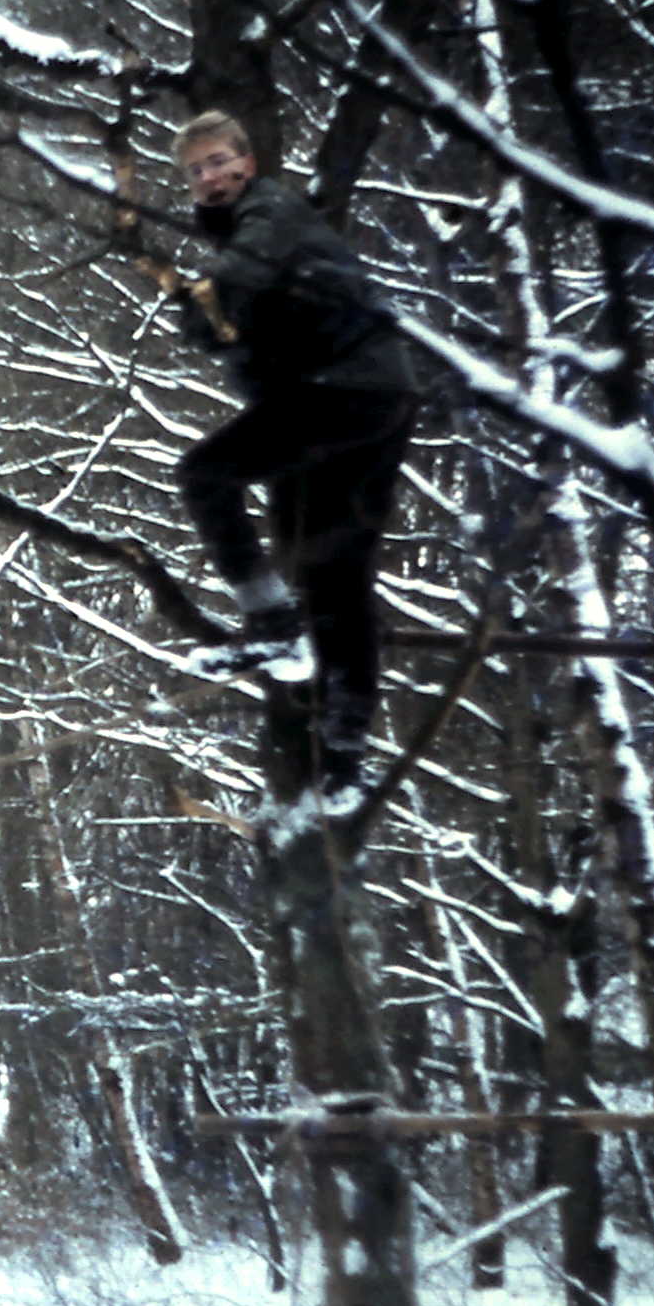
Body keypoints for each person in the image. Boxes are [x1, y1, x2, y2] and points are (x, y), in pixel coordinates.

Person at [171, 110, 422, 798]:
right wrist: (211, 320)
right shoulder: (252, 237)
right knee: (331, 563)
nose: (210, 178)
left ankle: (272, 620)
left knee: (205, 475)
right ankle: (345, 750)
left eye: (219, 162)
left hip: (345, 389)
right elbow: (249, 329)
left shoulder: (270, 211)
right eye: (196, 171)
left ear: (247, 163)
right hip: (374, 396)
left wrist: (204, 304)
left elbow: (245, 271)